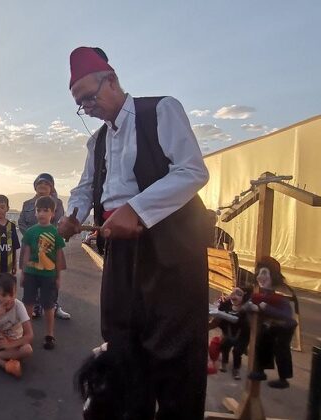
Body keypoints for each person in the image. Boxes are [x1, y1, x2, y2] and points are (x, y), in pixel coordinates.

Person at [59, 47, 210, 418]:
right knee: (121, 340)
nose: (87, 107)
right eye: (80, 104)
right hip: (120, 250)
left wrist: (137, 211)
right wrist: (73, 215)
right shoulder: (96, 142)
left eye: (89, 97)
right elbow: (84, 188)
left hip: (169, 249)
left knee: (173, 349)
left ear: (111, 80)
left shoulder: (160, 110)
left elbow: (192, 171)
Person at [18, 173, 70, 320]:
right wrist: (32, 237)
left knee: (51, 277)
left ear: (51, 187)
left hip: (50, 246)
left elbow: (59, 223)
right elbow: (21, 222)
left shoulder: (57, 203)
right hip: (31, 246)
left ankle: (53, 305)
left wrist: (46, 236)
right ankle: (32, 306)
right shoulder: (27, 203)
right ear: (35, 186)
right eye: (40, 183)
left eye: (47, 184)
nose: (43, 186)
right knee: (29, 276)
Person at [21, 196, 66, 350]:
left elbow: (59, 256)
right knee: (28, 304)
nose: (41, 213)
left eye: (45, 210)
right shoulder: (30, 232)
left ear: (52, 213)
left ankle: (49, 334)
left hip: (49, 276)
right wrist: (23, 272)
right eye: (38, 210)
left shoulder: (56, 232)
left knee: (48, 306)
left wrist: (59, 276)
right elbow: (26, 253)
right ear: (35, 212)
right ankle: (27, 333)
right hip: (31, 274)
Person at [246, 257, 297, 389]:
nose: (260, 277)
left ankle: (283, 378)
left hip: (285, 326)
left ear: (272, 275)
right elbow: (257, 302)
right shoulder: (264, 291)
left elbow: (286, 315)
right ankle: (260, 370)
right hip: (272, 325)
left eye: (264, 273)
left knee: (281, 349)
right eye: (258, 273)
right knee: (263, 342)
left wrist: (265, 308)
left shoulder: (282, 292)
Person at [209, 287, 250, 380]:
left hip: (241, 336)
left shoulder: (245, 310)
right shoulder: (226, 304)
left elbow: (248, 325)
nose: (234, 296)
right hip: (228, 333)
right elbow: (217, 315)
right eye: (233, 293)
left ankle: (236, 369)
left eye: (238, 294)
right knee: (224, 346)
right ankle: (224, 363)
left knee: (237, 352)